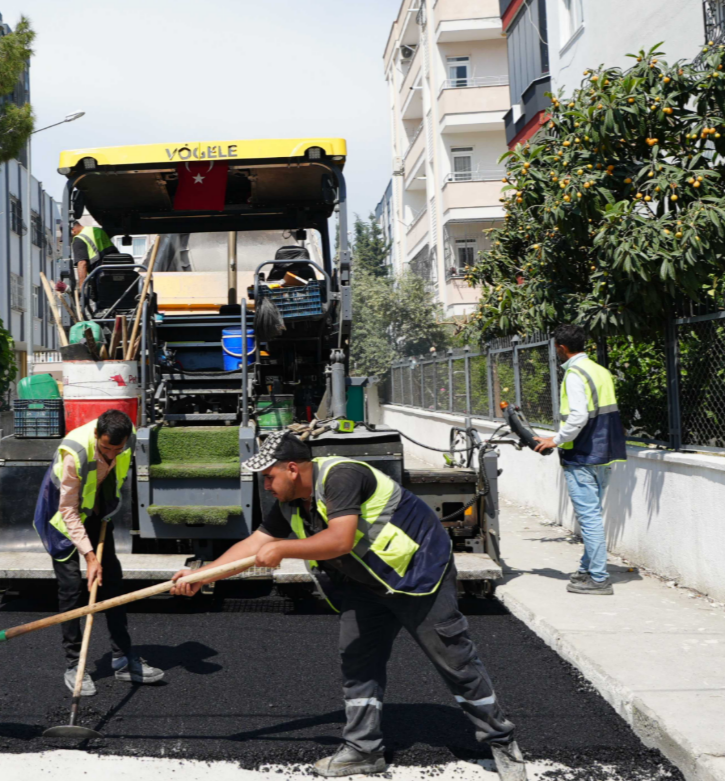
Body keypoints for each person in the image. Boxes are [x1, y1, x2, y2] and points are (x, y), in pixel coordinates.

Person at [173, 431, 527, 780]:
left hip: (420, 576)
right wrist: (204, 576)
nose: (266, 485)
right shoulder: (290, 503)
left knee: (455, 661)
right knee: (358, 661)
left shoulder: (342, 476)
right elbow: (257, 542)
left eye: (269, 477)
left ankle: (501, 741)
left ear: (293, 469)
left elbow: (340, 539)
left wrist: (283, 550)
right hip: (367, 583)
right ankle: (363, 750)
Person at [35, 411, 165, 694]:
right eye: (106, 448)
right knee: (71, 589)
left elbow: (111, 481)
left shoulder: (124, 443)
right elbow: (67, 510)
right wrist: (89, 557)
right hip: (61, 519)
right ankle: (74, 666)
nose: (111, 454)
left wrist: (104, 515)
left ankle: (121, 658)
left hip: (95, 514)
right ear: (97, 436)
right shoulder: (75, 453)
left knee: (113, 584)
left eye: (117, 449)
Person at [534, 323, 624, 595]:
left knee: (590, 519)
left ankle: (598, 578)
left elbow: (579, 416)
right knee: (593, 515)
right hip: (604, 454)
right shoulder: (600, 371)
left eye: (555, 349)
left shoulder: (574, 374)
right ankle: (587, 570)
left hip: (582, 454)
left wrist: (555, 439)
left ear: (561, 348)